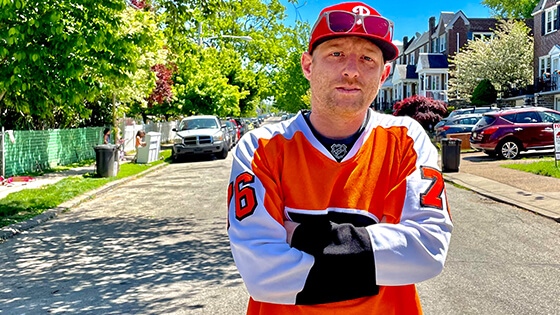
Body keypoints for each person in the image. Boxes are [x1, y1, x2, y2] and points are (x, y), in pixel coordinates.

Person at [227, 2, 453, 314]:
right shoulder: (261, 147)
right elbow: (262, 276)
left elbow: (427, 252)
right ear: (307, 65)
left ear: (384, 73)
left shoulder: (407, 140)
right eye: (336, 53)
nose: (351, 69)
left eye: (367, 58)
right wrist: (381, 256)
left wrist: (300, 235)